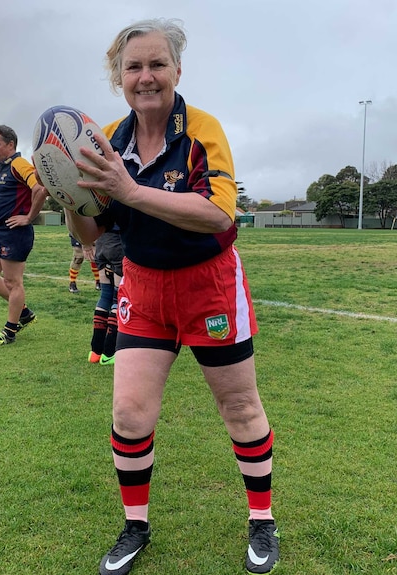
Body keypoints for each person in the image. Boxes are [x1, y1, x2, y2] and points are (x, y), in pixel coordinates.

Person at [66, 18, 278, 575]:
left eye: (157, 64)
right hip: (142, 285)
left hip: (208, 284)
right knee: (129, 413)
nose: (146, 76)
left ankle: (262, 519)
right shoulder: (107, 139)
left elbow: (218, 211)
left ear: (177, 71)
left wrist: (130, 191)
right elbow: (96, 232)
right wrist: (70, 198)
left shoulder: (202, 129)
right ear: (119, 77)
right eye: (133, 67)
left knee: (239, 406)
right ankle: (136, 524)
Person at [0, 124, 48, 346]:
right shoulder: (3, 167)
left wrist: (29, 217)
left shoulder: (19, 163)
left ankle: (9, 331)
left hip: (15, 232)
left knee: (12, 282)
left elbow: (39, 189)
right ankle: (24, 312)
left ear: (10, 144)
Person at [87, 228, 123, 366]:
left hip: (101, 242)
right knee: (117, 297)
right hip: (118, 242)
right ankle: (109, 352)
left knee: (105, 295)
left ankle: (95, 352)